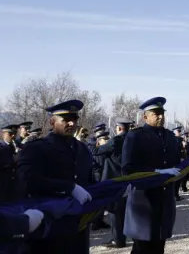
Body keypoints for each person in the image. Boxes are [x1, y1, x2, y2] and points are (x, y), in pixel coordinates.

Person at [17, 99, 94, 253]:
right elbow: (28, 180)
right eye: (65, 119)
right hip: (50, 225)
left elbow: (89, 181)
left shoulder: (82, 149)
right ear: (52, 122)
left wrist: (113, 191)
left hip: (78, 225)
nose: (72, 123)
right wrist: (68, 188)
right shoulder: (37, 148)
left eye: (74, 119)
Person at [121, 97, 184, 254]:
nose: (161, 116)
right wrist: (156, 172)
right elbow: (128, 169)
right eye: (156, 113)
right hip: (144, 204)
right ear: (145, 117)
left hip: (164, 202)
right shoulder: (135, 136)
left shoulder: (170, 137)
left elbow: (177, 164)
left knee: (159, 248)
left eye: (162, 113)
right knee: (142, 249)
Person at [90, 117, 133, 249]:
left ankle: (118, 240)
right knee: (124, 211)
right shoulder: (132, 139)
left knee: (115, 212)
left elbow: (95, 151)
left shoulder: (115, 141)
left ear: (119, 128)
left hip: (114, 181)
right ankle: (123, 236)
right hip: (128, 179)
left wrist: (93, 140)